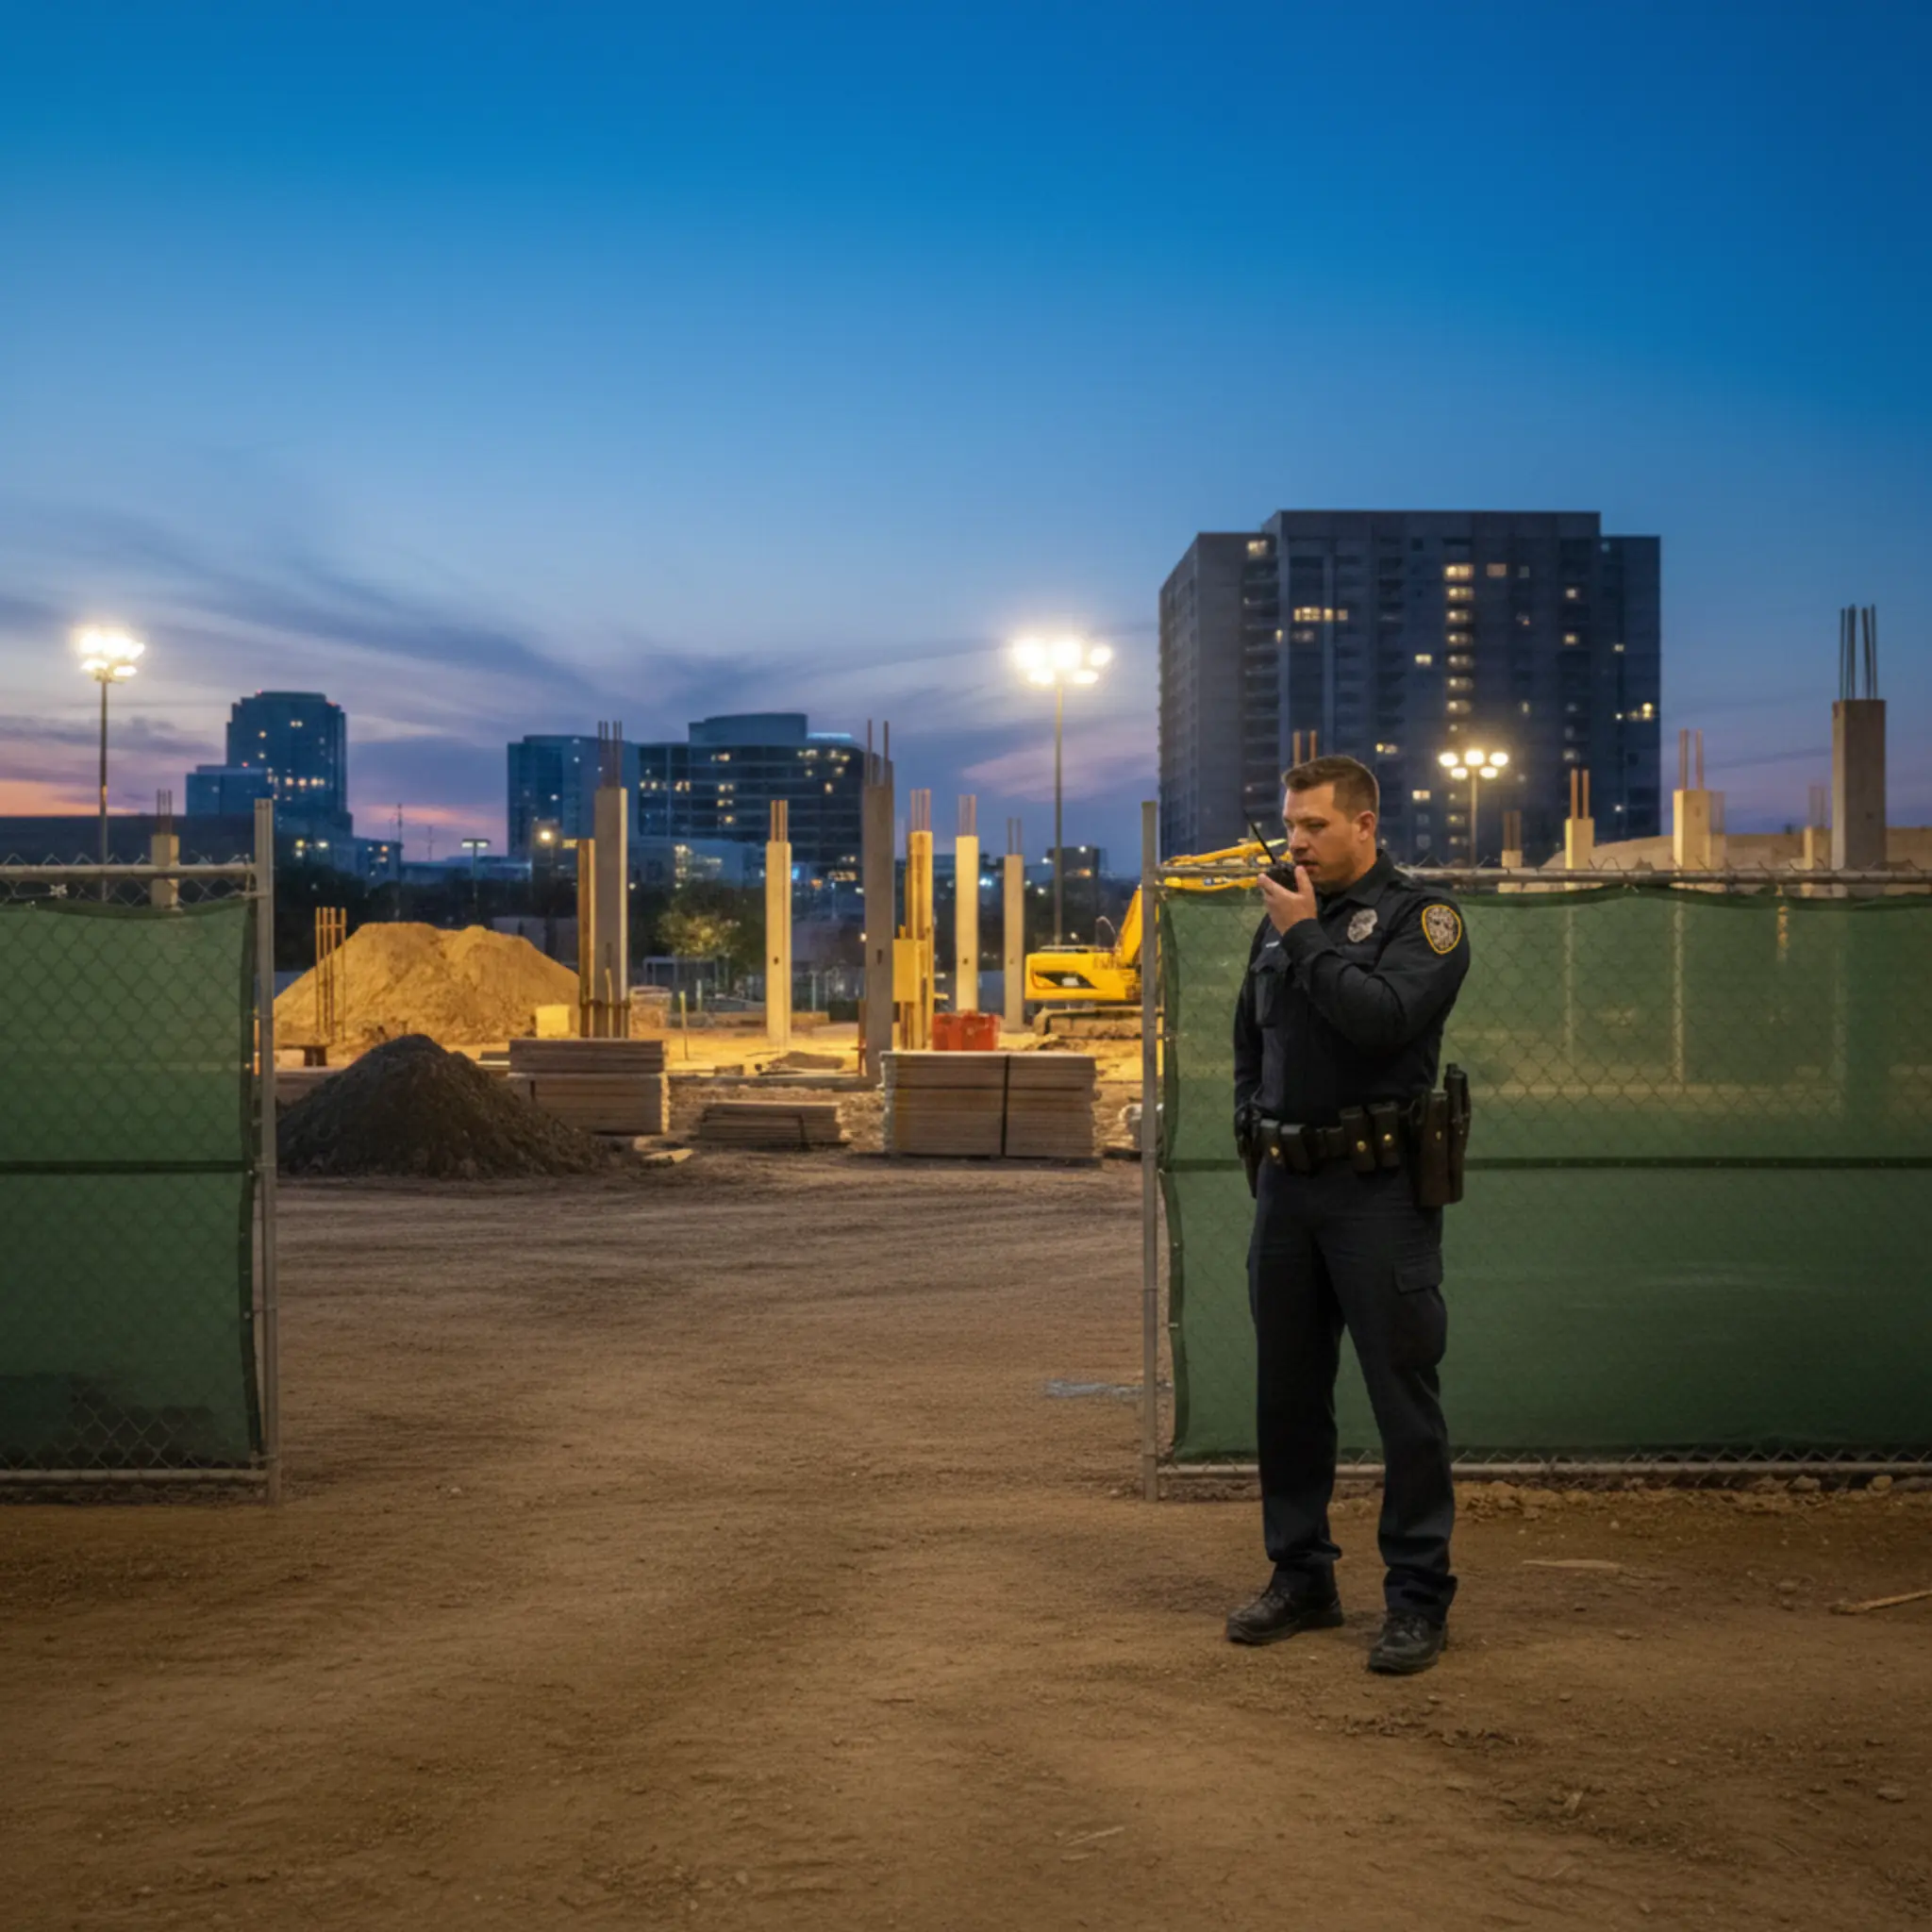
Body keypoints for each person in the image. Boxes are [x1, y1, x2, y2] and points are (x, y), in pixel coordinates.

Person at [1225, 754, 1471, 1674]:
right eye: (1290, 824)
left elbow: (1381, 1019)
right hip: (1288, 1191)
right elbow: (1248, 1044)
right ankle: (1301, 1576)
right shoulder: (1283, 919)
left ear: (1364, 824)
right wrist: (1255, 1134)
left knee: (1402, 1397)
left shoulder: (1422, 920)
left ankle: (1416, 1597)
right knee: (1286, 1395)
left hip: (1378, 1194)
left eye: (1314, 826)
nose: (1296, 842)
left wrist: (1305, 938)